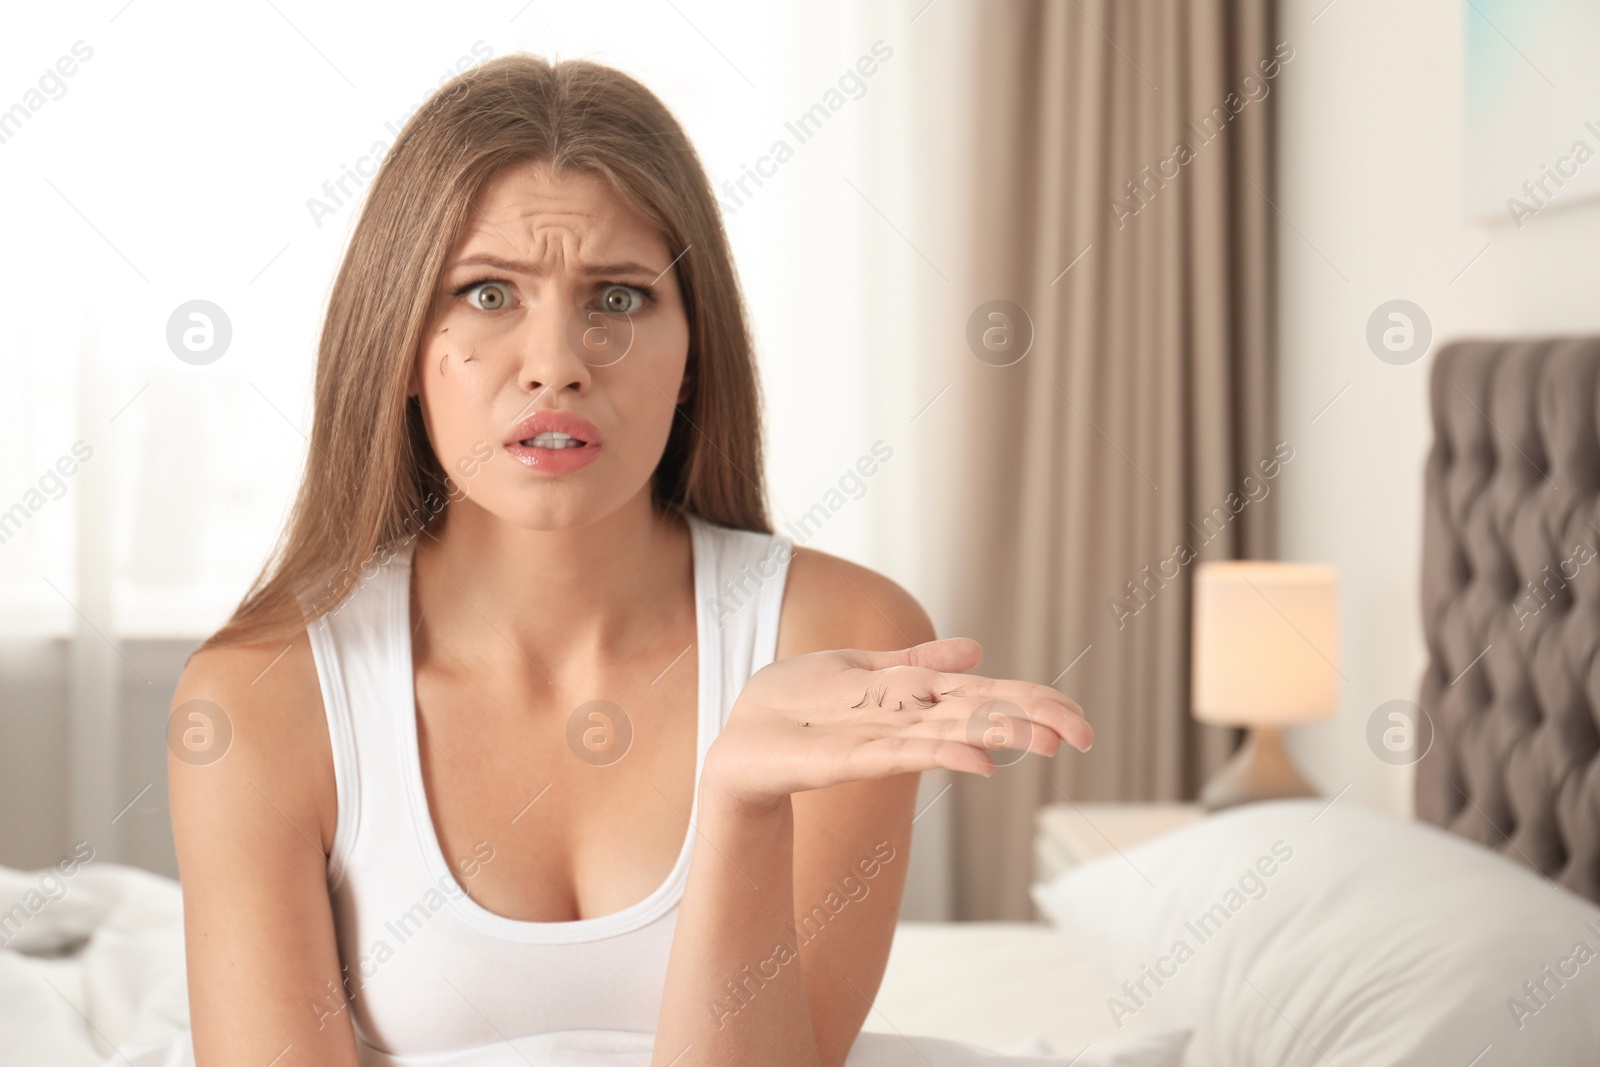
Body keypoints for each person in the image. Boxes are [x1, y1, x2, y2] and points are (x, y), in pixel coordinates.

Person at [166, 52, 1091, 1067]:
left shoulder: (843, 642)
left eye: (616, 297)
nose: (555, 359)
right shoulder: (259, 695)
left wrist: (739, 801)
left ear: (694, 352)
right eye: (486, 293)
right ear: (396, 345)